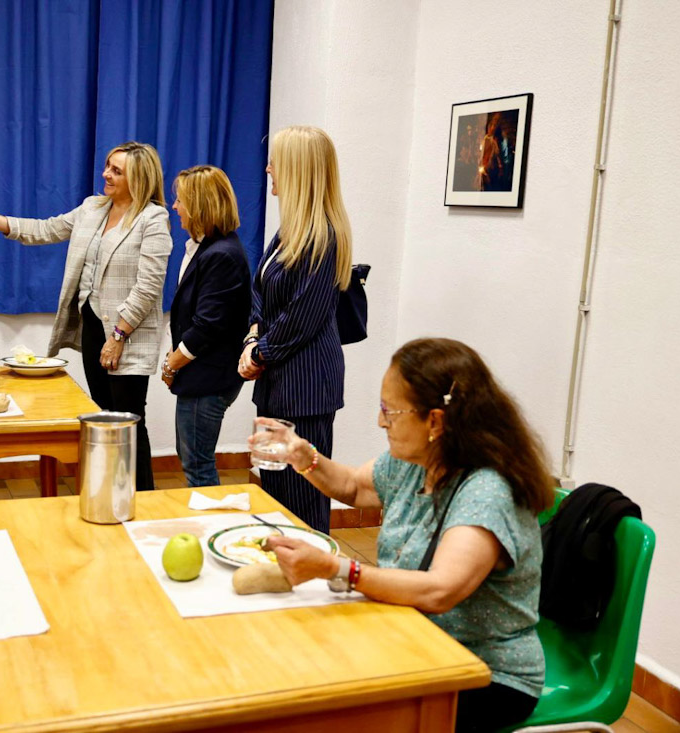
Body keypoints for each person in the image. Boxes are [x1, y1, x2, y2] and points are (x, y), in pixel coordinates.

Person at [252, 338, 555, 733]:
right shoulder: (416, 462)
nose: (381, 422)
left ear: (435, 421)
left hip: (483, 675)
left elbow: (438, 590)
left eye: (389, 412)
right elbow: (353, 487)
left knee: (327, 709)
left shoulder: (485, 492)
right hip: (413, 641)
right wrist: (302, 455)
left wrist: (337, 569)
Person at [0, 142, 170, 491]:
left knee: (128, 420)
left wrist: (119, 336)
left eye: (116, 171)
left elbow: (149, 286)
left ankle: (142, 499)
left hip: (128, 334)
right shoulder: (93, 208)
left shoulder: (153, 219)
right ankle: (111, 492)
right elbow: (45, 230)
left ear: (138, 178)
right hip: (95, 328)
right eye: (107, 166)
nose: (105, 175)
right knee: (103, 416)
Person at [238, 125, 352, 533]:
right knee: (274, 493)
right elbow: (260, 293)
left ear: (297, 169)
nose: (268, 169)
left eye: (276, 162)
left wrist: (258, 353)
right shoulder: (289, 230)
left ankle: (312, 580)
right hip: (275, 382)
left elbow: (302, 317)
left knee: (301, 500)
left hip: (304, 390)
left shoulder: (325, 235)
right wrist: (253, 339)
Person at [161, 165, 251, 487]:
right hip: (201, 376)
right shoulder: (206, 248)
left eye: (181, 201)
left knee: (197, 465)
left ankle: (212, 532)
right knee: (192, 460)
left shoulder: (221, 255)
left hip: (209, 378)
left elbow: (207, 326)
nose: (175, 207)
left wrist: (172, 364)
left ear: (200, 205)